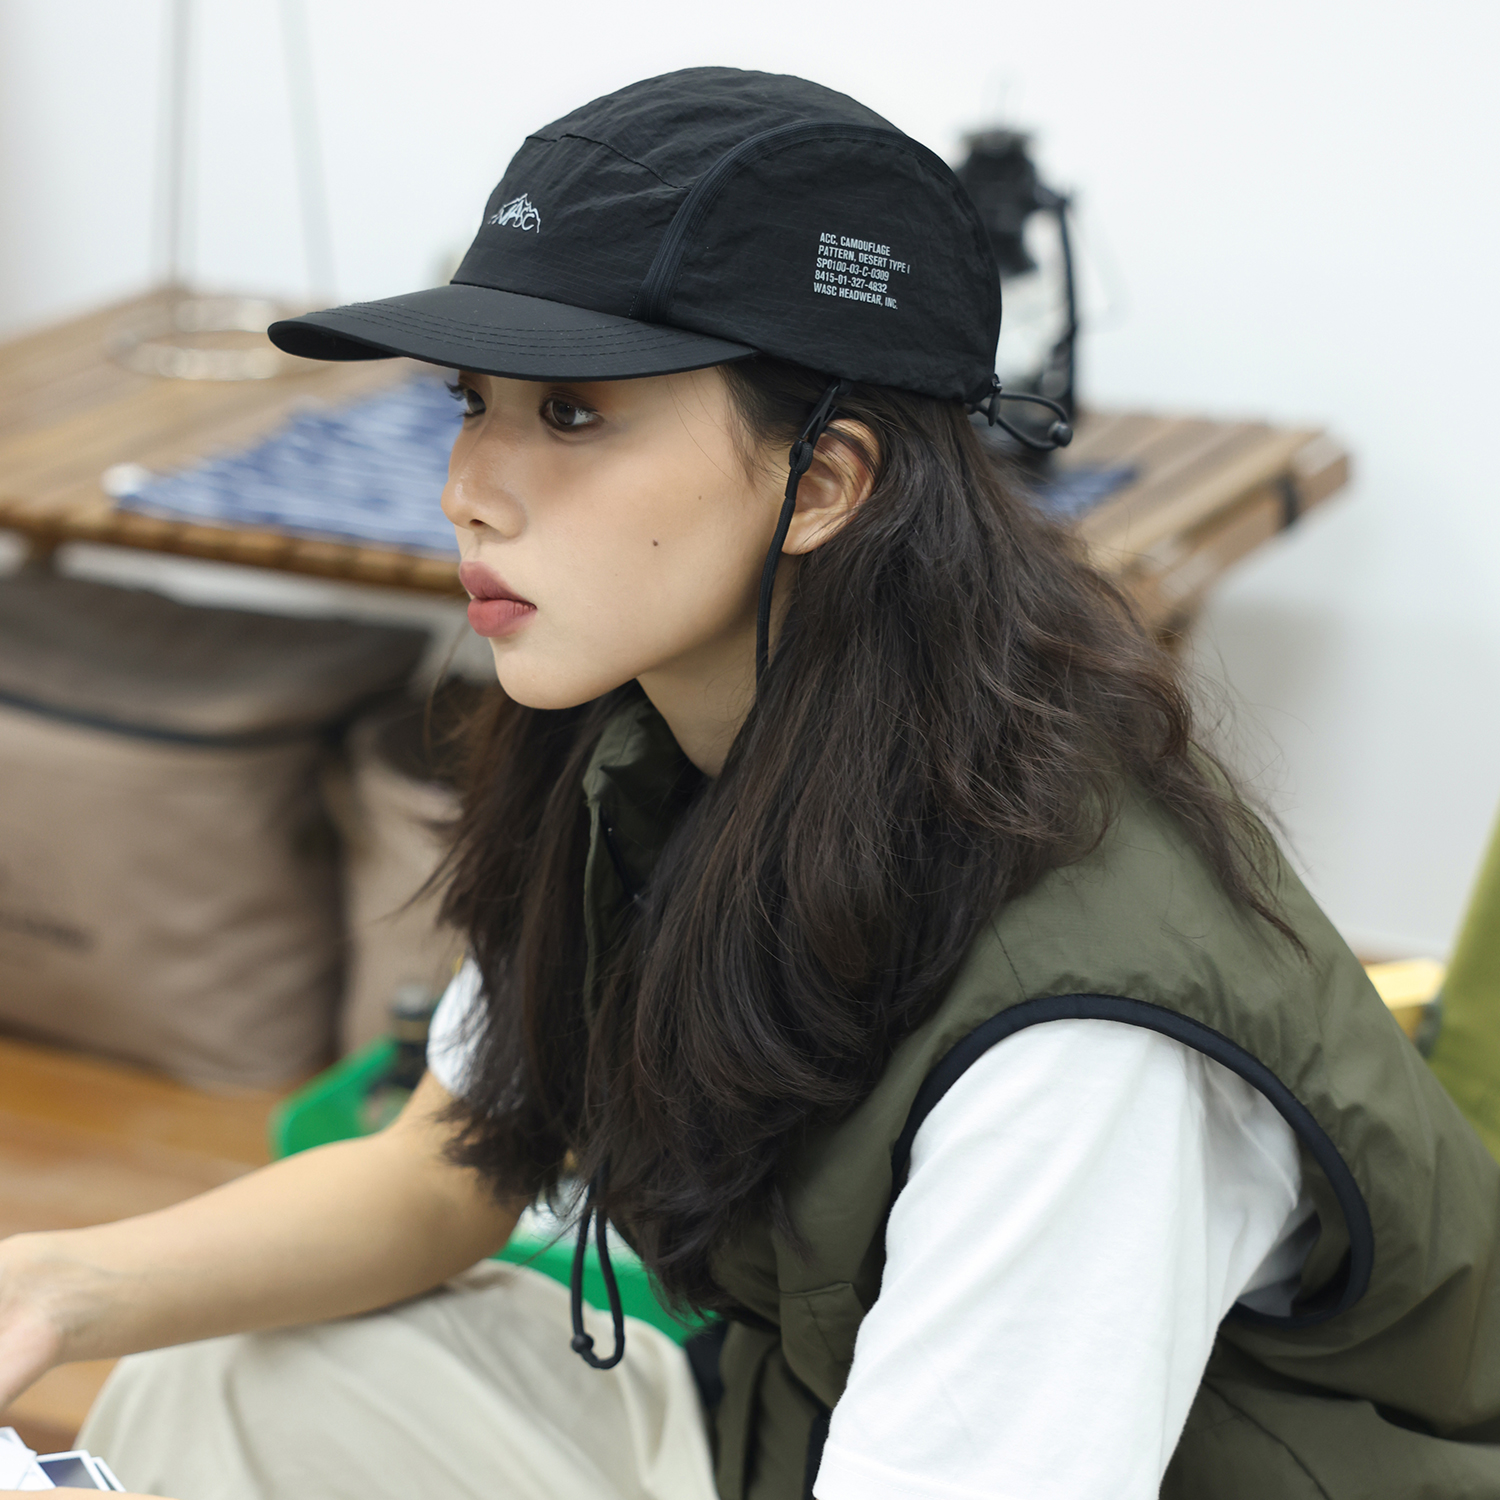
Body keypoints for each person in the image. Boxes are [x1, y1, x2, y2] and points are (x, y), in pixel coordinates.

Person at [3, 66, 1500, 1500]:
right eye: (472, 400)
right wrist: (56, 1286)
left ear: (828, 481)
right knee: (226, 1382)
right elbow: (451, 1172)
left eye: (572, 414)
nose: (465, 490)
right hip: (790, 1439)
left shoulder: (1081, 1040)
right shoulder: (641, 732)